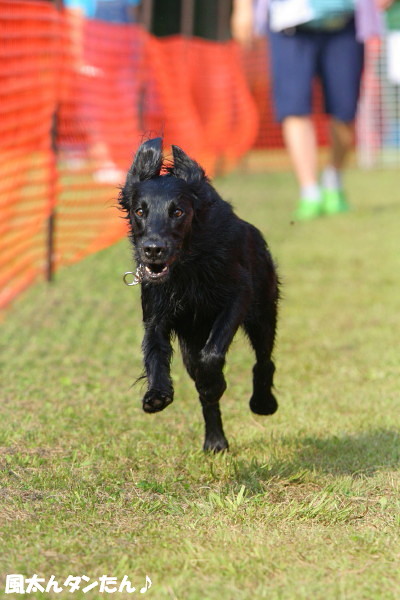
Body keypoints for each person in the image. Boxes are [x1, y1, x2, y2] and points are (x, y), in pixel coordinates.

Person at [231, 0, 394, 220]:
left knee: (345, 112)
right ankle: (309, 191)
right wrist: (243, 8)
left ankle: (333, 179)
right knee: (294, 108)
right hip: (288, 23)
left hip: (345, 21)